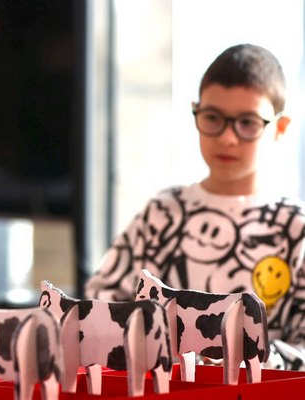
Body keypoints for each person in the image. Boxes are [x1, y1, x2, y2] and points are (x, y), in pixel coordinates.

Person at [85, 44, 305, 370]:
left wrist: (242, 357)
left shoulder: (295, 228)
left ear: (280, 128)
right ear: (196, 113)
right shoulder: (163, 214)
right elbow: (99, 310)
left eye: (247, 122)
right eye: (213, 117)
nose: (228, 138)